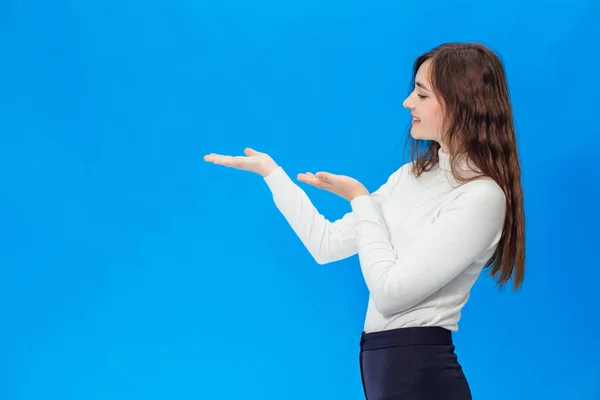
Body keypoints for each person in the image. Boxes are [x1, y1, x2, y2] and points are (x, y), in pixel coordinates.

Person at [203, 42, 525, 400]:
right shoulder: (411, 176)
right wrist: (272, 173)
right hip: (383, 370)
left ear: (461, 101)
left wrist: (359, 198)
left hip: (423, 375)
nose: (408, 103)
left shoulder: (481, 196)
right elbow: (325, 245)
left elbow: (390, 294)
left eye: (421, 94)